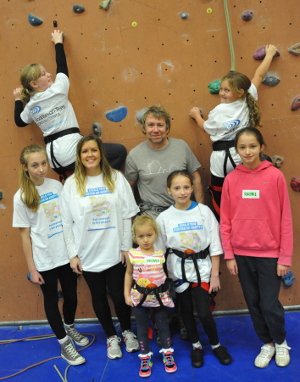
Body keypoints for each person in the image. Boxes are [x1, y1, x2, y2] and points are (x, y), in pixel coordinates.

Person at [59, 133, 140, 360]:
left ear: (100, 153)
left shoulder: (116, 178)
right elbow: (66, 223)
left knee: (119, 294)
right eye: (85, 151)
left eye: (93, 150)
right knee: (98, 297)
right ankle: (111, 337)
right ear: (79, 156)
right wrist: (72, 254)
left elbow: (127, 216)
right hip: (87, 254)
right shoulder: (72, 184)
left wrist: (126, 247)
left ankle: (126, 332)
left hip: (115, 251)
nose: (90, 155)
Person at [220, 127, 293, 368]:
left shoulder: (275, 177)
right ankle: (267, 343)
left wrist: (284, 257)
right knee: (252, 302)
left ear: (261, 147)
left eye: (253, 146)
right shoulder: (231, 179)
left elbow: (285, 219)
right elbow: (226, 220)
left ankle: (281, 342)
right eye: (242, 147)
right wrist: (229, 255)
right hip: (241, 254)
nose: (248, 151)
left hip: (270, 255)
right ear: (236, 150)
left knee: (269, 303)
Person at [13, 29, 126, 182]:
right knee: (119, 152)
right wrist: (58, 42)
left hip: (54, 161)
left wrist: (17, 100)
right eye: (44, 74)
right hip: (71, 154)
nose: (49, 75)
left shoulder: (31, 105)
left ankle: (77, 179)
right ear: (34, 84)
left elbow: (20, 122)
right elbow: (62, 66)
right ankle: (92, 182)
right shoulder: (57, 90)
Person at [12, 144, 89, 366]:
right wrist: (32, 269)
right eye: (35, 165)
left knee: (72, 296)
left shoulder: (56, 186)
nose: (41, 169)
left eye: (43, 163)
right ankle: (65, 343)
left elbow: (69, 220)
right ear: (25, 168)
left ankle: (70, 327)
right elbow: (25, 236)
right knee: (51, 299)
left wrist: (74, 251)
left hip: (65, 254)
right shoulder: (22, 197)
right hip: (44, 259)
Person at [189, 44, 278, 217]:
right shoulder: (247, 98)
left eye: (226, 90)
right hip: (245, 155)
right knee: (248, 192)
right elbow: (259, 76)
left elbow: (205, 127)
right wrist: (270, 55)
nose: (221, 93)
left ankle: (229, 222)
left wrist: (196, 116)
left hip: (223, 159)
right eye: (221, 89)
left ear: (239, 92)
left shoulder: (219, 111)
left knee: (223, 194)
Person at [155, 170, 232, 368]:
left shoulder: (203, 212)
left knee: (204, 313)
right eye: (177, 188)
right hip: (178, 271)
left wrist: (215, 275)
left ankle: (216, 345)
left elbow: (215, 246)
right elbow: (159, 251)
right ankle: (196, 346)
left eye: (186, 187)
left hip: (203, 269)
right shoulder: (163, 218)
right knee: (186, 310)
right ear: (169, 190)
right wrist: (159, 277)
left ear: (192, 188)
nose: (182, 192)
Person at [125, 105, 204, 219]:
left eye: (160, 125)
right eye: (151, 125)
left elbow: (195, 178)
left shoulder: (181, 147)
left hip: (183, 211)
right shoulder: (135, 154)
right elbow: (128, 187)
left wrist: (200, 210)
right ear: (144, 129)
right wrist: (131, 219)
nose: (155, 130)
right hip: (152, 216)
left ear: (167, 129)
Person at [124, 215, 176, 378]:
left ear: (155, 234)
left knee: (163, 327)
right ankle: (145, 357)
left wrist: (168, 291)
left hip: (159, 299)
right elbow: (128, 274)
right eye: (141, 236)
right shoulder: (132, 254)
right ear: (135, 237)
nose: (145, 239)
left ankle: (167, 353)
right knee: (142, 329)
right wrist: (126, 294)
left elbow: (163, 274)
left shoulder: (160, 253)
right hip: (140, 300)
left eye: (149, 235)